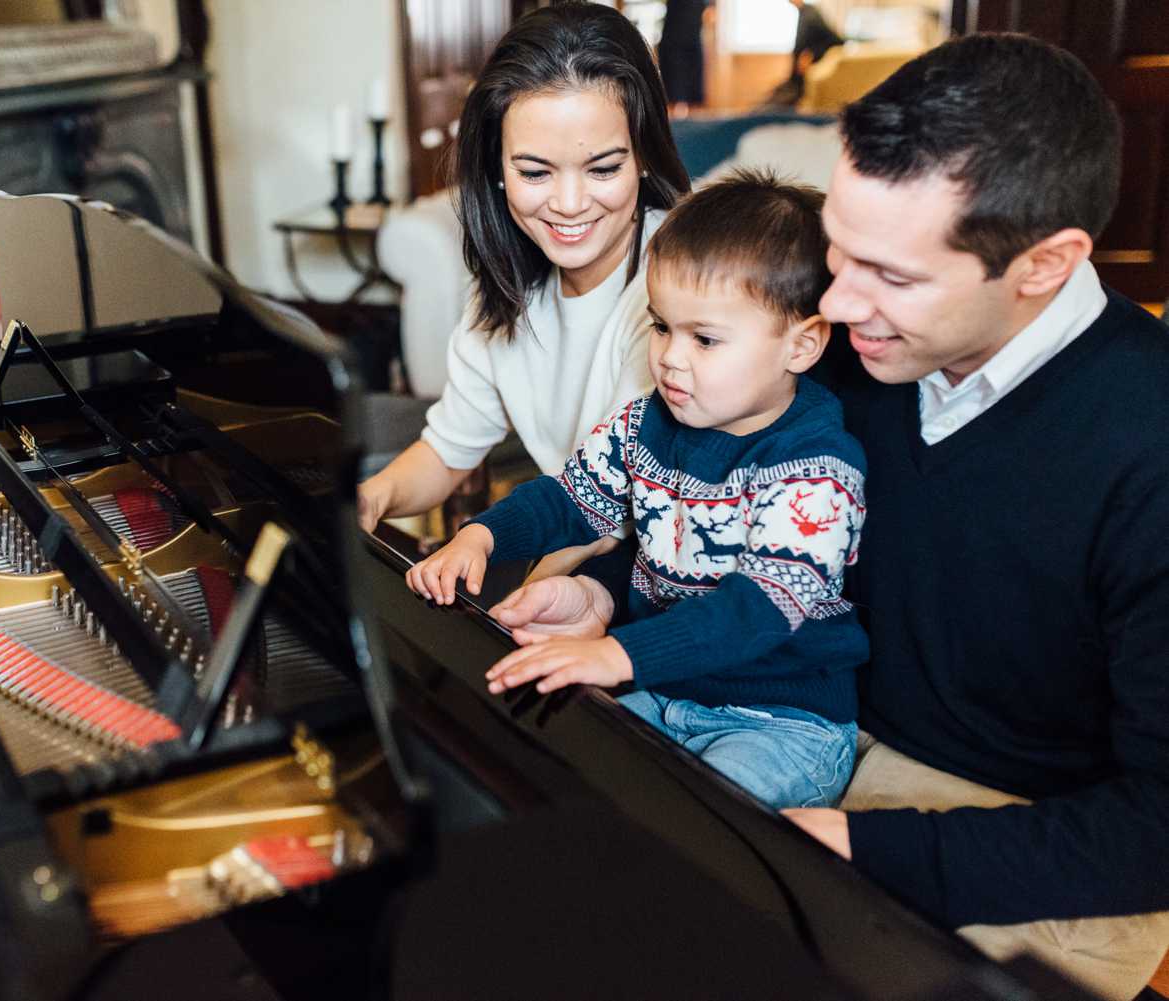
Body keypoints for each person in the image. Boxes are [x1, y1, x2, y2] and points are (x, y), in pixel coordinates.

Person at [488, 33, 1169, 1000]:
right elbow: (719, 518)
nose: (840, 303)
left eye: (889, 274)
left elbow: (1153, 829)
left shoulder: (1146, 444)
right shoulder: (841, 341)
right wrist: (602, 590)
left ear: (1043, 264)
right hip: (807, 724)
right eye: (838, 253)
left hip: (1018, 835)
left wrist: (863, 844)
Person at [407, 171, 868, 811]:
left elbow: (756, 610)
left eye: (705, 338)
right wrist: (479, 535)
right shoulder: (648, 422)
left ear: (803, 345)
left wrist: (617, 655)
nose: (671, 358)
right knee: (552, 772)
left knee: (693, 824)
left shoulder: (817, 467)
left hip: (784, 722)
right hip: (667, 687)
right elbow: (566, 499)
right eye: (661, 327)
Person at [358, 1, 693, 574]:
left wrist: (516, 618)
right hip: (569, 544)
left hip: (656, 576)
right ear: (497, 169)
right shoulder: (510, 285)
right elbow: (448, 450)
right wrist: (369, 501)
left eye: (603, 169)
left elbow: (608, 513)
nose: (568, 205)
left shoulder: (681, 289)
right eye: (535, 172)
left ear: (643, 157)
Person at [764, 0, 843, 108]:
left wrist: (812, 54)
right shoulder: (803, 12)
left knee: (776, 106)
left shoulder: (811, 15)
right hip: (796, 77)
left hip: (803, 80)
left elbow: (835, 41)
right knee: (771, 99)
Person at [657, 1, 713, 119]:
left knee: (694, 96)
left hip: (693, 40)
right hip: (674, 41)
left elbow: (710, 13)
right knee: (677, 94)